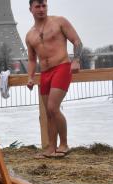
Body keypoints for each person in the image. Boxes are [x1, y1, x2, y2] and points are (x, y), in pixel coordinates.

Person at [25, 0, 83, 158]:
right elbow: (31, 59)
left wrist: (76, 60)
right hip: (45, 73)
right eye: (37, 6)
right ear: (31, 9)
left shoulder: (59, 22)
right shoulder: (30, 35)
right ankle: (51, 148)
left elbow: (77, 41)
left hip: (62, 67)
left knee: (52, 107)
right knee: (48, 113)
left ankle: (63, 144)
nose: (41, 9)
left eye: (44, 5)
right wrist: (30, 77)